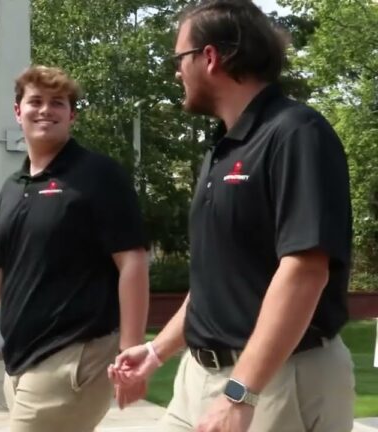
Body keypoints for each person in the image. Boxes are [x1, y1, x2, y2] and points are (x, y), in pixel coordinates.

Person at [109, 1, 355, 431]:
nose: (176, 73)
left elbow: (305, 271)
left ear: (209, 57)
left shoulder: (296, 133)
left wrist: (240, 393)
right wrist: (155, 352)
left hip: (275, 381)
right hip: (198, 379)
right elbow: (217, 281)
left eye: (179, 59)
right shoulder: (222, 149)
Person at [0, 65, 149, 432]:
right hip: (20, 361)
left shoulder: (98, 175)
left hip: (74, 355)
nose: (46, 110)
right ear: (18, 111)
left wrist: (131, 349)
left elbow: (133, 261)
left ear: (72, 115)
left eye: (58, 103)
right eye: (36, 101)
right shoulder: (13, 187)